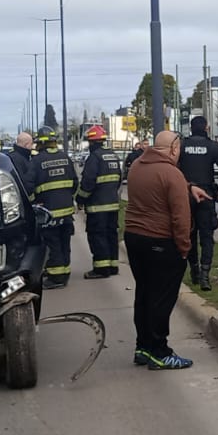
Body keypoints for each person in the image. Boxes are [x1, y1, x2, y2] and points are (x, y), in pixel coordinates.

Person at [123, 131, 194, 370]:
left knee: (143, 294)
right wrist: (184, 248)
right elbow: (181, 217)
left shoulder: (137, 166)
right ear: (174, 148)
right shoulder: (172, 173)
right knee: (161, 299)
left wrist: (189, 187)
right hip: (160, 242)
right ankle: (160, 352)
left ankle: (142, 347)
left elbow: (158, 185)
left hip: (134, 238)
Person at [178, 115, 218, 291]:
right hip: (206, 196)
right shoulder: (212, 147)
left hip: (186, 195)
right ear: (206, 128)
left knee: (190, 235)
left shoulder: (182, 146)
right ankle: (205, 276)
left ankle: (193, 270)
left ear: (191, 128)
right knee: (207, 237)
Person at [30, 130, 77, 289]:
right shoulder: (65, 157)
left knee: (52, 244)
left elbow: (30, 186)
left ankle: (56, 278)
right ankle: (65, 273)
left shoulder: (37, 161)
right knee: (65, 243)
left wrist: (32, 203)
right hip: (67, 210)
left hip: (49, 212)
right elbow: (74, 183)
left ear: (41, 143)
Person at [76, 125, 124, 279]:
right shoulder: (113, 156)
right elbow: (119, 179)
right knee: (111, 234)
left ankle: (101, 269)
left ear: (91, 142)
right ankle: (113, 266)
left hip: (97, 207)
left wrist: (80, 199)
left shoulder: (94, 158)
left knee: (98, 235)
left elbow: (88, 182)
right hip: (113, 205)